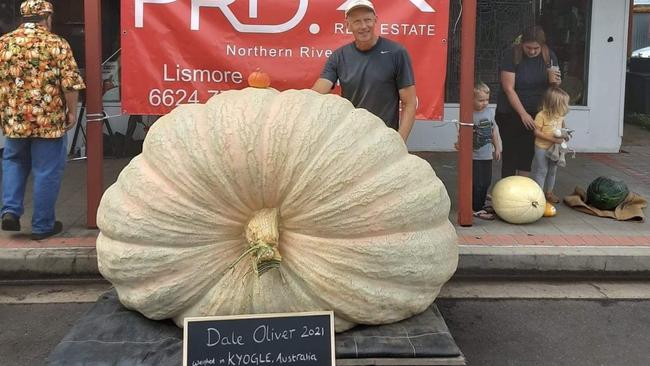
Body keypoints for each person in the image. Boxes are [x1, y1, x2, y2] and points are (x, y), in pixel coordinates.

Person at [0, 0, 86, 240]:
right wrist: (71, 111)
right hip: (49, 120)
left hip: (15, 119)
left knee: (13, 162)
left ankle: (10, 210)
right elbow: (70, 83)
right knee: (46, 171)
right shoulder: (56, 44)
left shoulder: (4, 43)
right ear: (46, 16)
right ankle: (41, 225)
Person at [311, 0, 417, 142]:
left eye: (367, 20)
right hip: (350, 141)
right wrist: (295, 102)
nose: (363, 26)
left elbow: (409, 103)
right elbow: (317, 93)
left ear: (375, 20)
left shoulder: (397, 53)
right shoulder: (338, 57)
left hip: (384, 140)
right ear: (348, 25)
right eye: (357, 21)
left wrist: (399, 141)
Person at [496, 26, 561, 178]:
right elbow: (508, 88)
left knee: (527, 154)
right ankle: (507, 190)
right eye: (528, 47)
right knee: (510, 154)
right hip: (510, 111)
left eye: (536, 48)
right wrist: (523, 114)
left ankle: (522, 191)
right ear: (522, 44)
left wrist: (555, 82)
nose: (532, 51)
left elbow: (554, 87)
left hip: (536, 111)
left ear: (542, 45)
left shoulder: (548, 55)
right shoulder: (512, 54)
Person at [456, 82, 502, 220]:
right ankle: (475, 208)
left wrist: (497, 147)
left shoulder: (489, 112)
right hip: (473, 156)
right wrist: (459, 144)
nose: (485, 103)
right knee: (477, 182)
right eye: (481, 100)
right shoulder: (468, 113)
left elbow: (494, 130)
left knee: (486, 181)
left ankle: (480, 204)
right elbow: (462, 132)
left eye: (487, 100)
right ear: (471, 99)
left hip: (486, 154)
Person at [531, 87, 570, 204]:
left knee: (553, 170)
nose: (565, 107)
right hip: (542, 147)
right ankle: (538, 194)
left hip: (555, 148)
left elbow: (563, 127)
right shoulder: (541, 115)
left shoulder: (560, 115)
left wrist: (565, 135)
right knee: (542, 170)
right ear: (554, 104)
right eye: (564, 104)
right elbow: (536, 132)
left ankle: (549, 192)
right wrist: (552, 139)